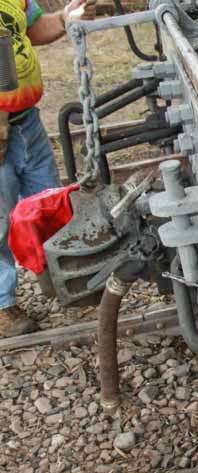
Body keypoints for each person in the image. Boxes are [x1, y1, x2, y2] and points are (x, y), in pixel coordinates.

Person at [0, 0, 87, 337]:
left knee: (46, 200)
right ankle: (3, 305)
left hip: (26, 123)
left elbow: (35, 29)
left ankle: (59, 276)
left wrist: (64, 18)